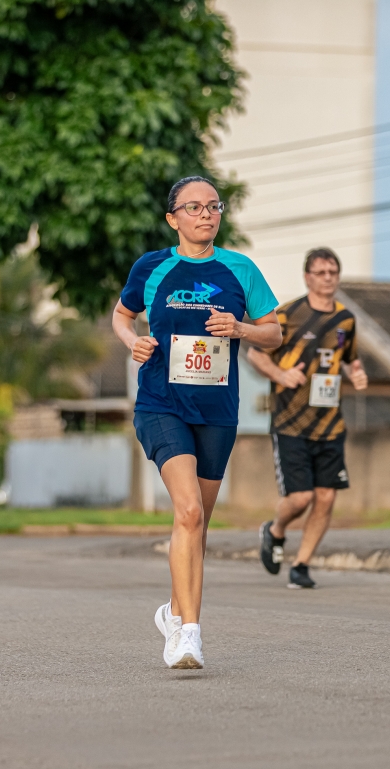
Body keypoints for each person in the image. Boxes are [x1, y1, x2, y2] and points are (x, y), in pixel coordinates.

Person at [112, 176, 280, 669]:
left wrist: (241, 328)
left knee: (197, 522)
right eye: (194, 207)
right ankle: (189, 633)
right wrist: (134, 343)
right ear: (173, 218)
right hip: (161, 404)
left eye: (213, 206)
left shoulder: (240, 268)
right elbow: (122, 316)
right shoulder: (152, 267)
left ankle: (173, 610)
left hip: (217, 411)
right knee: (187, 511)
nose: (206, 214)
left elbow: (274, 332)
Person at [246, 247, 367, 589]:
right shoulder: (288, 314)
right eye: (321, 272)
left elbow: (350, 358)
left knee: (326, 497)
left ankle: (302, 565)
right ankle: (275, 530)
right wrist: (281, 375)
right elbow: (256, 354)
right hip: (291, 422)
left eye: (333, 272)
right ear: (307, 277)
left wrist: (357, 373)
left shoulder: (346, 319)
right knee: (301, 498)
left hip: (330, 423)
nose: (328, 278)